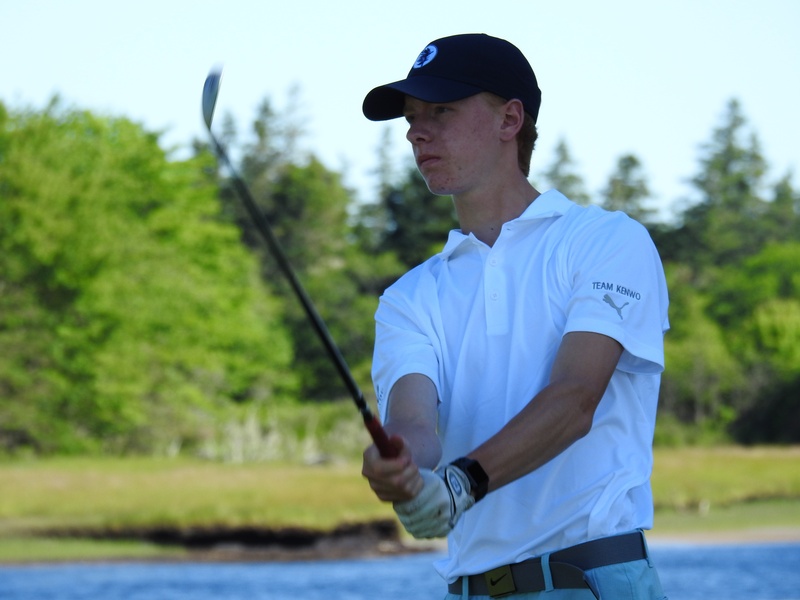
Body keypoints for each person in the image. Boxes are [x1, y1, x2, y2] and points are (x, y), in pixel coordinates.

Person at [360, 33, 670, 600]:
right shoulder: (408, 297)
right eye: (411, 117)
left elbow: (576, 398)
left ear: (510, 120)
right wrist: (400, 465)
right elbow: (414, 423)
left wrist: (460, 483)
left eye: (441, 111)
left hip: (591, 580)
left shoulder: (606, 241)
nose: (416, 132)